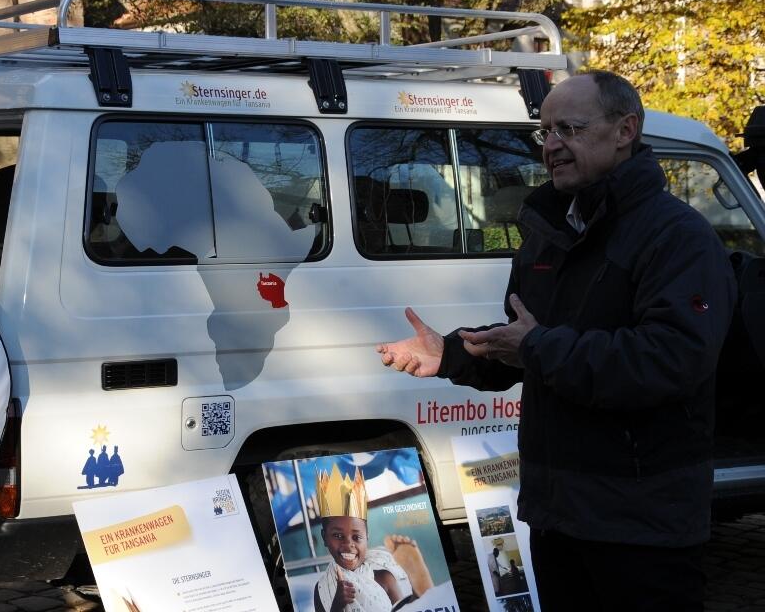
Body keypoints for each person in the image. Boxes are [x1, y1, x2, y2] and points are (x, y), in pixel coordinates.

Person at [378, 71, 736, 611]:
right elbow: (527, 347)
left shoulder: (678, 236)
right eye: (543, 132)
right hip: (556, 514)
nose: (551, 145)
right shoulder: (550, 231)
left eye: (568, 128)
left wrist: (535, 347)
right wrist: (452, 353)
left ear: (625, 129)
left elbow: (670, 360)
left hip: (641, 523)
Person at [312, 464, 435, 612]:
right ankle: (420, 597)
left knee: (407, 608)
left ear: (367, 538)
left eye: (356, 537)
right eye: (338, 535)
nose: (348, 544)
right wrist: (337, 606)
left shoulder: (383, 577)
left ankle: (418, 593)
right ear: (324, 537)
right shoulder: (322, 588)